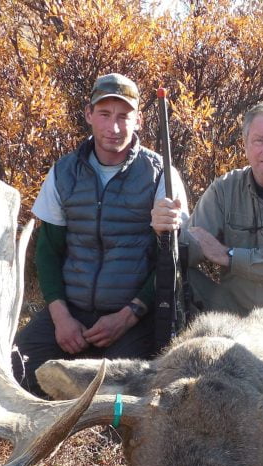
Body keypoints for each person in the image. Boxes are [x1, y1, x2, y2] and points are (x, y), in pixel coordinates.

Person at [13, 73, 188, 394]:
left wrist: (128, 315)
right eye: (105, 115)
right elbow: (48, 253)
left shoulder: (162, 174)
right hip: (72, 311)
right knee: (16, 366)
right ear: (89, 115)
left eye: (124, 116)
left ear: (139, 120)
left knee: (122, 395)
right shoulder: (63, 172)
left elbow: (172, 261)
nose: (114, 127)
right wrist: (61, 317)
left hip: (133, 317)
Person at [151, 102, 263, 316]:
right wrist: (168, 230)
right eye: (259, 140)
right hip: (236, 314)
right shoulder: (224, 189)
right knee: (174, 276)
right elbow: (189, 250)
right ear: (245, 144)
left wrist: (229, 256)